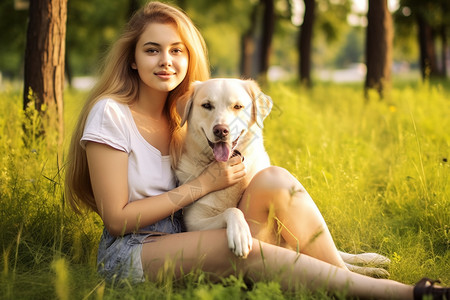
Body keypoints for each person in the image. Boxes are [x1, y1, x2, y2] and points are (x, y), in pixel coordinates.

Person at [65, 2, 449, 299]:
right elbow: (116, 219)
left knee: (275, 179)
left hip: (189, 234)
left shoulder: (188, 113)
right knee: (244, 252)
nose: (166, 61)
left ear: (188, 56)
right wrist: (203, 185)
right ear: (132, 58)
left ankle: (340, 272)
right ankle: (405, 294)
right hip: (135, 252)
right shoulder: (111, 114)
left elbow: (241, 147)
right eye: (152, 50)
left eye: (176, 51)